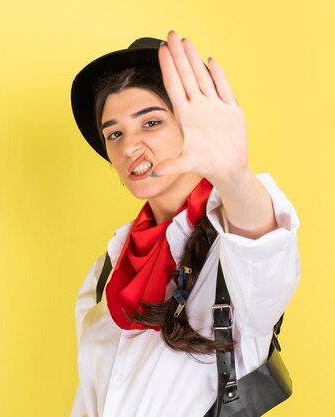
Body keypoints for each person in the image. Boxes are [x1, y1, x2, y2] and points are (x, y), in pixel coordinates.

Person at [69, 31, 301, 417]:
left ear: (192, 128)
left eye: (151, 123)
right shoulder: (106, 272)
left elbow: (263, 247)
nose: (129, 147)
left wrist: (235, 174)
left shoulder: (234, 247)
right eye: (114, 133)